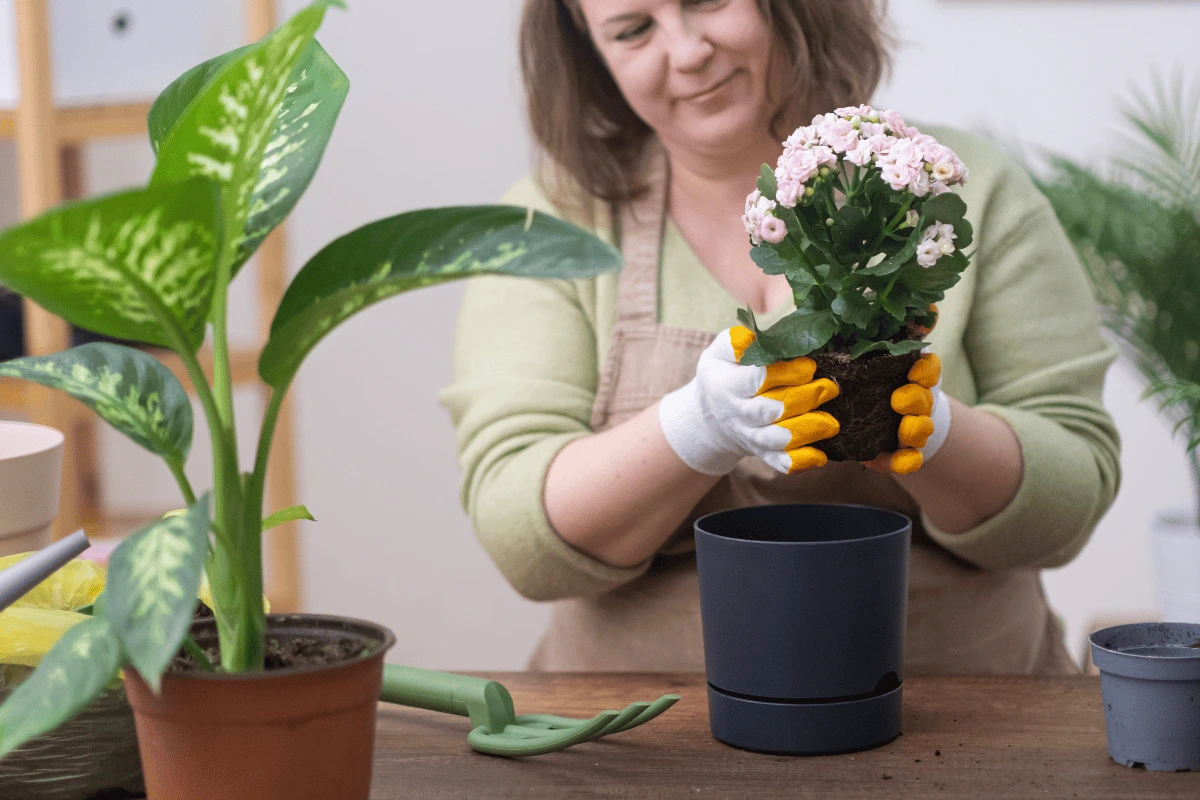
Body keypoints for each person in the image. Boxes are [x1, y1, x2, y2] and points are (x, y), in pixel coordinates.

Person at [439, 0, 1121, 675]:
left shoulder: (953, 190)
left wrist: (931, 432)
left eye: (707, 0)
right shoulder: (550, 225)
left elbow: (1070, 493)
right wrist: (695, 427)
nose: (687, 51)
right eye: (633, 30)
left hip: (974, 715)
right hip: (634, 725)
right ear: (589, 53)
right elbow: (519, 535)